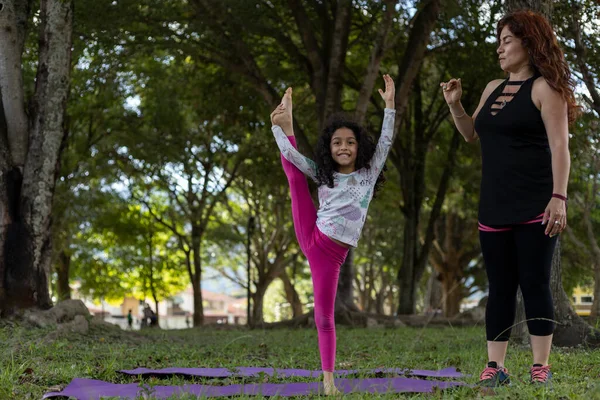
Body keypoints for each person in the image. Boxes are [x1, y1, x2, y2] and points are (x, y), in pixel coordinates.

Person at [439, 10, 578, 386]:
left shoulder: (545, 89)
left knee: (533, 282)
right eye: (498, 41)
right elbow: (472, 133)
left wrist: (559, 197)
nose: (499, 49)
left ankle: (540, 367)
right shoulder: (491, 88)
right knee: (499, 286)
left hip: (536, 204)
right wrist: (455, 105)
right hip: (494, 204)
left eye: (507, 41)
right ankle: (495, 367)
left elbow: (560, 146)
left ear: (529, 43)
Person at [270, 75, 395, 394]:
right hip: (315, 238)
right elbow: (295, 160)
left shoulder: (369, 173)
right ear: (330, 147)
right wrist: (279, 130)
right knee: (296, 180)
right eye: (337, 142)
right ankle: (289, 123)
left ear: (358, 147)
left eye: (350, 142)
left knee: (325, 317)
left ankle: (328, 381)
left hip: (330, 256)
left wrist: (390, 106)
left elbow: (386, 141)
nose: (343, 147)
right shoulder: (324, 175)